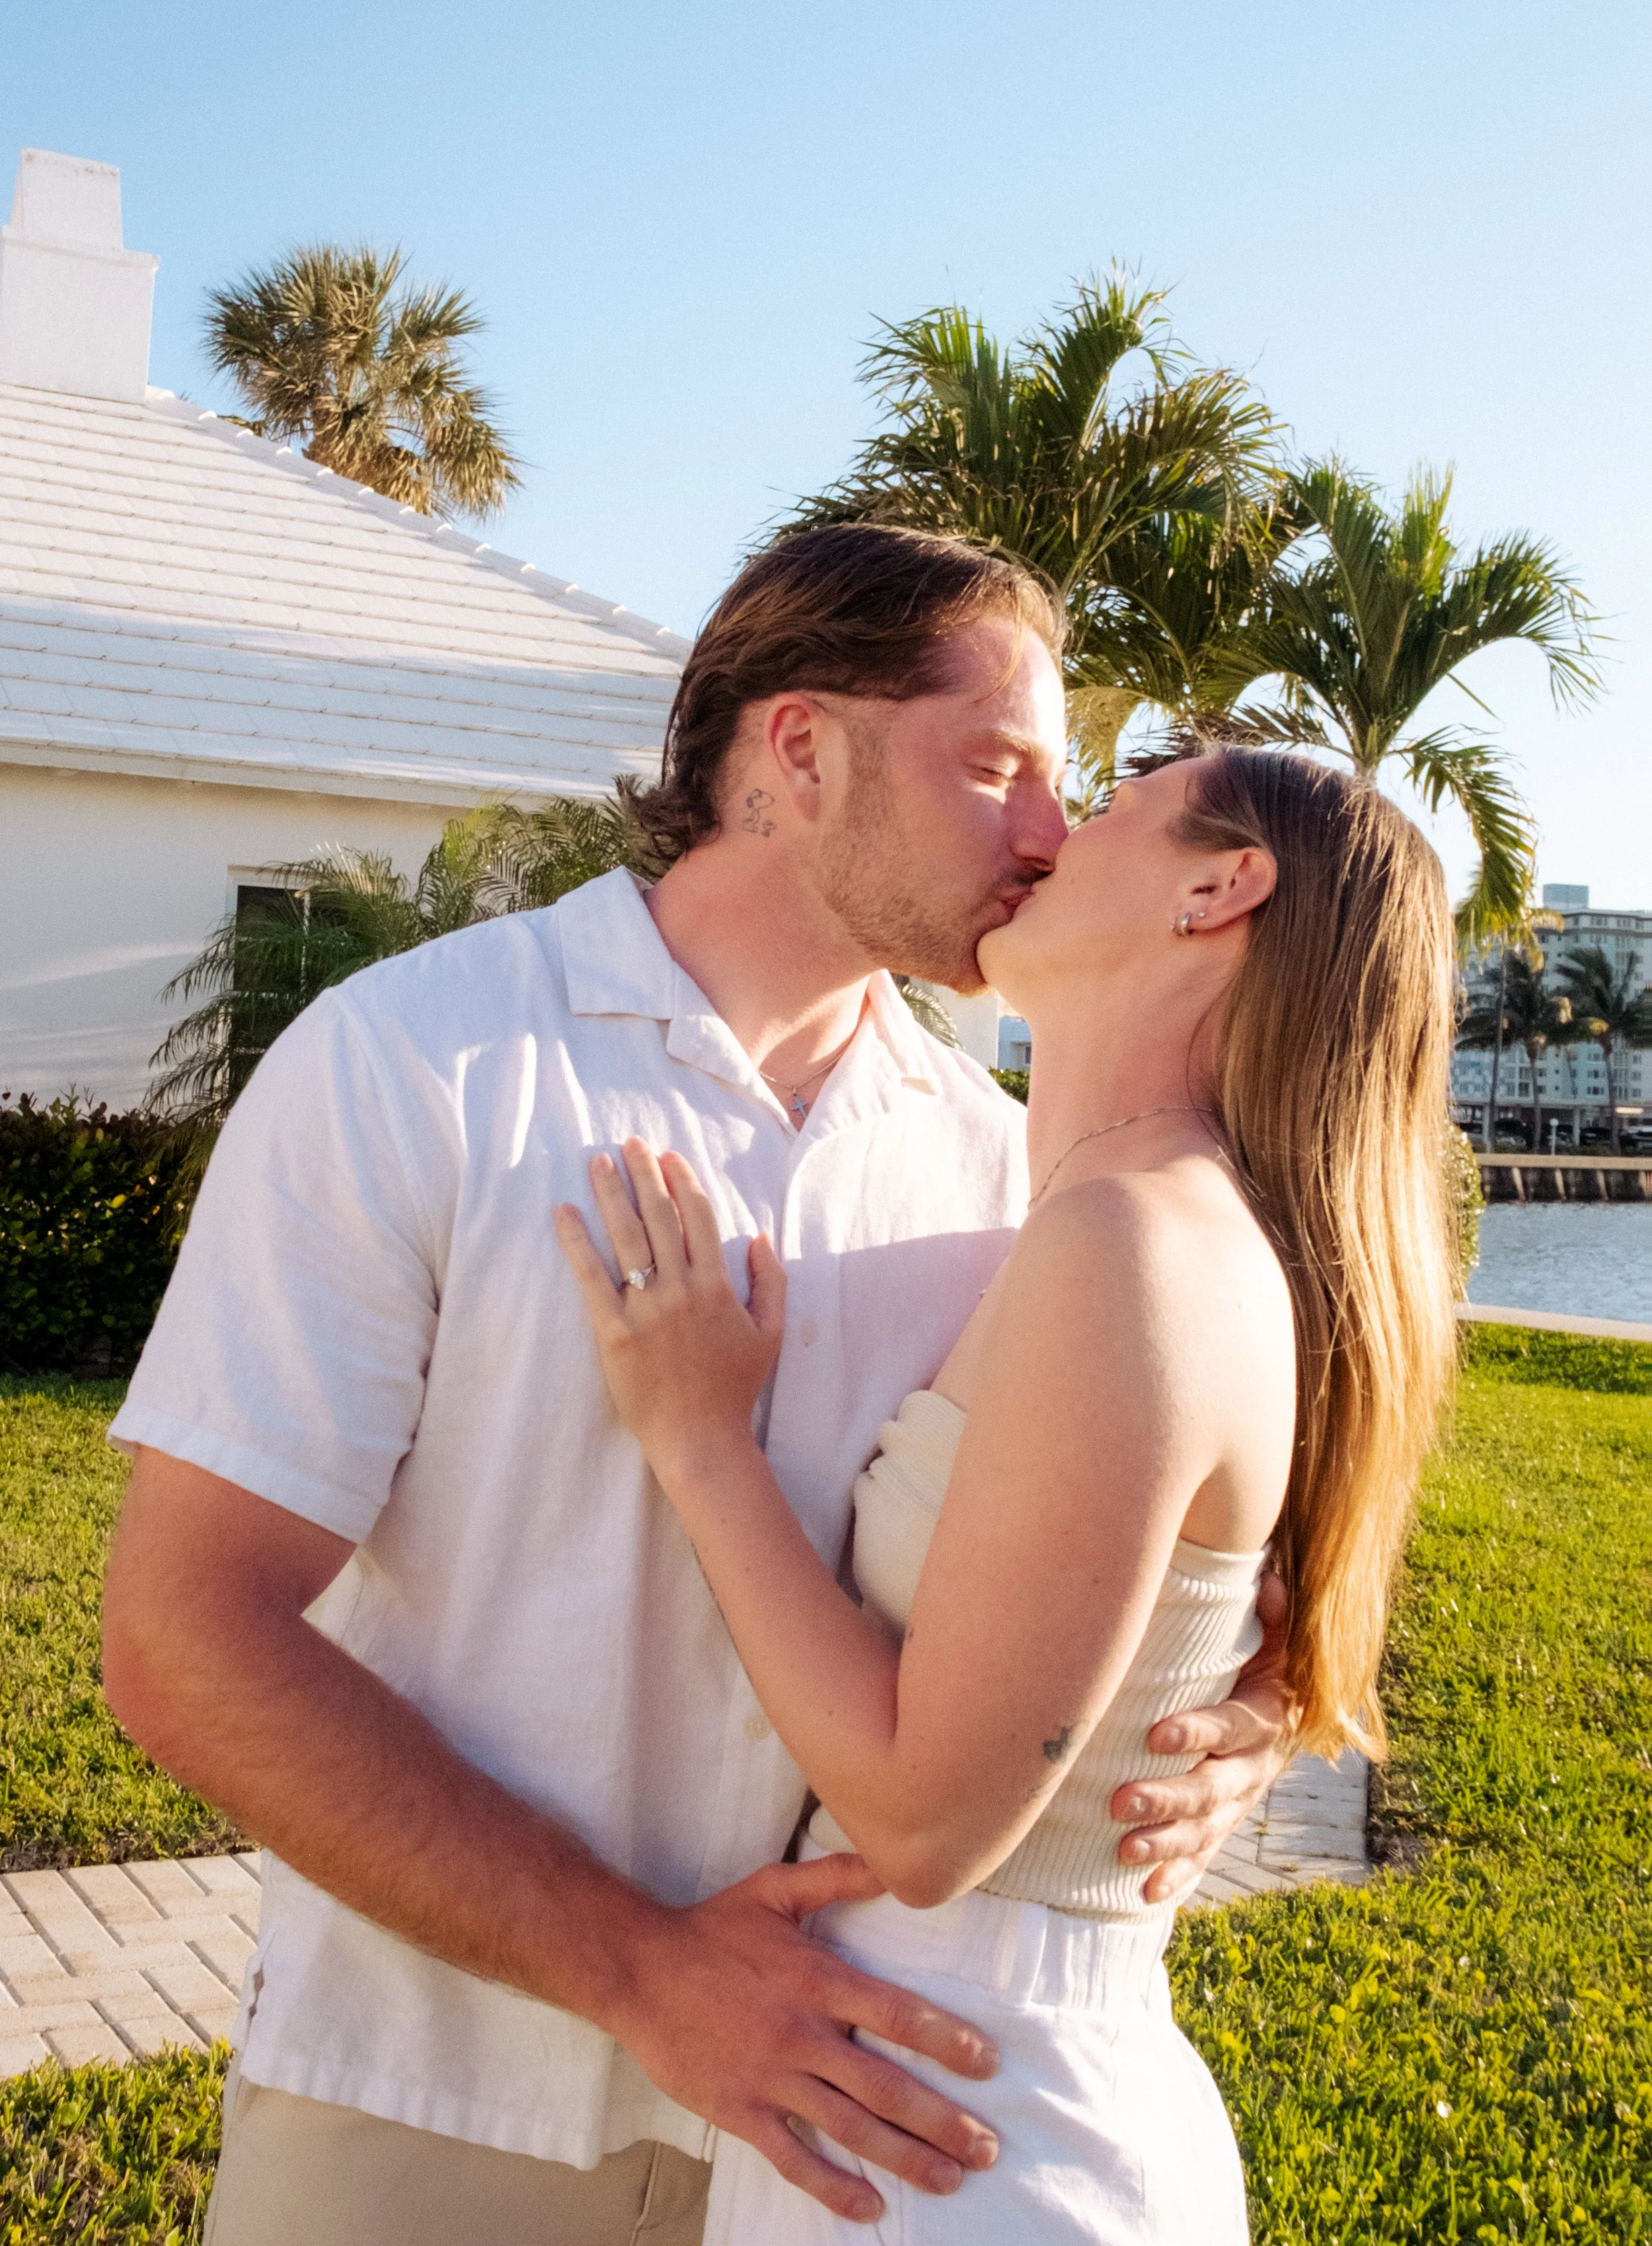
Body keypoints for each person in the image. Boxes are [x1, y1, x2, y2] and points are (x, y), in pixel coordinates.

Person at [102, 525, 1293, 2246]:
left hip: (841, 2154)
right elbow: (185, 1637)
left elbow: (1129, 1541)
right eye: (994, 766)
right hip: (436, 2105)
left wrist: (1202, 1724)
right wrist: (641, 1969)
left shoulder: (1002, 1172)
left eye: (1068, 785)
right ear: (795, 751)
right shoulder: (413, 1064)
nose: (1045, 830)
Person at [557, 743, 1458, 2241]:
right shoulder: (1119, 1219)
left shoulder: (1137, 1242)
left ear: (1218, 888)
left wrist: (700, 1440)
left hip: (959, 2121)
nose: (1043, 835)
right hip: (936, 2079)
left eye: (1104, 808)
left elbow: (921, 1830)